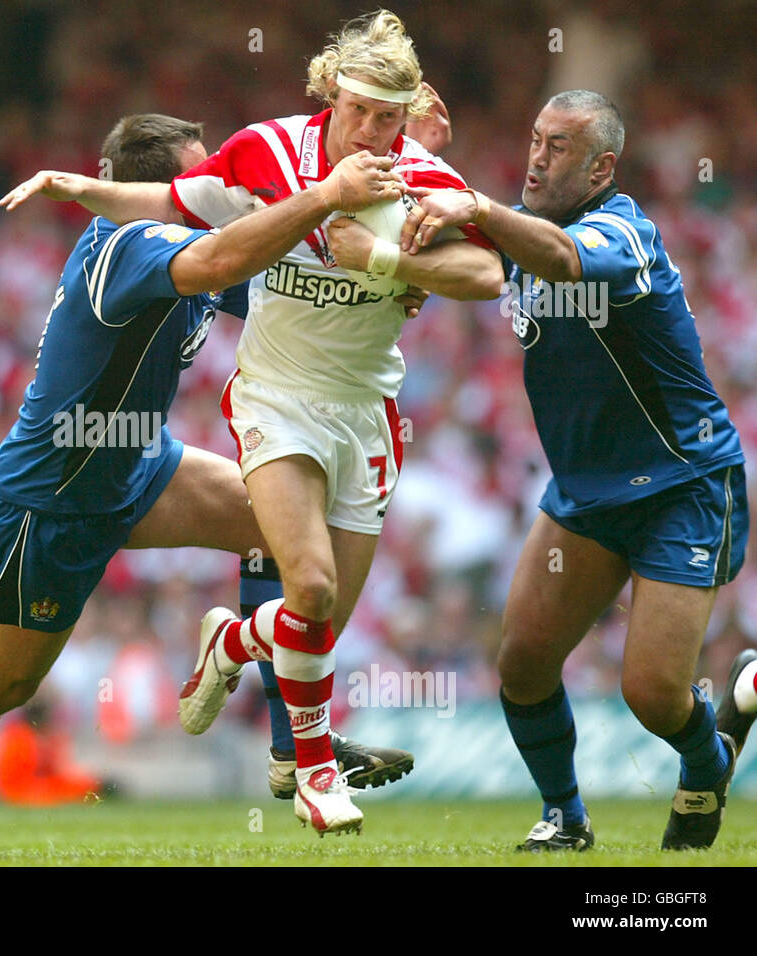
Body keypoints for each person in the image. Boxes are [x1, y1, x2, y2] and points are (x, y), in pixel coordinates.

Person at [0, 112, 412, 856]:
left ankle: (291, 750)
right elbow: (218, 264)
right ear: (155, 187)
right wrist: (327, 193)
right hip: (50, 501)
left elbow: (282, 289)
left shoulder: (185, 239)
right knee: (1, 688)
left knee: (279, 522)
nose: (219, 188)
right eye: (203, 177)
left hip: (139, 466)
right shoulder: (129, 240)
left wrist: (384, 279)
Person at [0, 10, 502, 834]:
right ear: (330, 95)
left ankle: (232, 643)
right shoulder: (268, 150)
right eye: (361, 111)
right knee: (309, 586)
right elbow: (173, 200)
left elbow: (486, 273)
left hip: (367, 408)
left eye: (390, 116)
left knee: (319, 625)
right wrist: (79, 188)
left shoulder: (420, 173)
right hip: (275, 397)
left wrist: (387, 261)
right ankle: (313, 778)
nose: (374, 131)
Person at [401, 89, 749, 851]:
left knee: (652, 697)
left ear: (602, 168)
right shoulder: (520, 237)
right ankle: (565, 817)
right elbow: (445, 253)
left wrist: (474, 210)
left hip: (681, 484)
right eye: (534, 139)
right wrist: (411, 160)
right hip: (585, 495)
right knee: (523, 664)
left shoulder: (623, 231)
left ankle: (709, 755)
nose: (535, 157)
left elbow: (562, 260)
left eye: (557, 147)